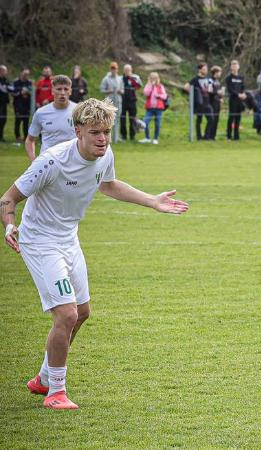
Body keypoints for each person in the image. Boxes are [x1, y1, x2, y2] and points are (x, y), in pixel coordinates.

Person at [1, 98, 189, 410]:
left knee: (83, 312)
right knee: (67, 313)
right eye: (95, 133)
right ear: (78, 132)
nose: (102, 139)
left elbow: (109, 185)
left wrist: (152, 201)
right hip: (40, 241)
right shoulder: (52, 161)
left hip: (68, 238)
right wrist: (9, 226)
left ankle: (45, 377)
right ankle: (56, 393)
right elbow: (8, 198)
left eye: (106, 132)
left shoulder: (105, 155)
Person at [25, 74, 76, 161]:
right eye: (59, 89)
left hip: (72, 163)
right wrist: (33, 160)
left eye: (66, 89)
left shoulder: (79, 111)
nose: (62, 93)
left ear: (70, 91)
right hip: (48, 163)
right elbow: (30, 140)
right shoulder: (41, 113)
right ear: (52, 91)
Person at [184, 62, 213, 141]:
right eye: (204, 69)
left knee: (211, 119)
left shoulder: (208, 79)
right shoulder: (195, 79)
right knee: (199, 120)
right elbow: (186, 87)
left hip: (207, 102)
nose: (206, 71)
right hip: (199, 103)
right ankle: (199, 137)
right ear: (199, 70)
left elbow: (210, 89)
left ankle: (206, 136)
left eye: (206, 69)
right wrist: (193, 93)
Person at [139, 72, 167, 145]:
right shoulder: (148, 86)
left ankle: (155, 138)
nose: (153, 79)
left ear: (157, 78)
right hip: (150, 108)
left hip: (159, 108)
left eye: (155, 78)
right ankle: (147, 138)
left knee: (157, 123)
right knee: (145, 122)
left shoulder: (160, 86)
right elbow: (146, 93)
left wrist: (159, 95)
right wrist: (151, 86)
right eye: (152, 78)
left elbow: (164, 96)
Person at [99, 62, 123, 137]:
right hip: (109, 102)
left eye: (115, 68)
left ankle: (116, 137)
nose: (113, 70)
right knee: (109, 119)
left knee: (117, 119)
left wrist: (120, 91)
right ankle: (108, 136)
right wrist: (109, 91)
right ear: (110, 69)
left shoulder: (120, 79)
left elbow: (123, 90)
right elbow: (102, 89)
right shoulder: (106, 79)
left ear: (117, 69)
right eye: (112, 68)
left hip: (118, 101)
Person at [224, 60, 246, 141]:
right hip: (233, 100)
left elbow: (243, 87)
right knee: (231, 117)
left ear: (238, 67)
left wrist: (243, 94)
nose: (234, 66)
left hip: (240, 101)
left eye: (236, 65)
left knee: (238, 117)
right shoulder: (229, 78)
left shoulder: (241, 78)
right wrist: (238, 94)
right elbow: (230, 89)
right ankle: (229, 136)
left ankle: (236, 136)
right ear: (231, 67)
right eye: (232, 65)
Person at [120, 64, 142, 141]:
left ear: (131, 70)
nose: (127, 71)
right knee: (122, 119)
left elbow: (139, 86)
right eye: (126, 70)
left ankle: (132, 136)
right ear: (123, 70)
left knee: (132, 119)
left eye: (128, 70)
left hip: (132, 101)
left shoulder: (135, 77)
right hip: (123, 101)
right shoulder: (120, 78)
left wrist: (131, 78)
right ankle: (123, 136)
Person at [11, 69, 33, 144]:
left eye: (27, 74)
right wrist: (21, 93)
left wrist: (28, 93)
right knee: (18, 121)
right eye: (24, 74)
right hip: (18, 105)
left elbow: (32, 93)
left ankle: (25, 137)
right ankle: (17, 137)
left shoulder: (29, 82)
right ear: (21, 74)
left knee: (26, 122)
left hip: (26, 105)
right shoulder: (16, 82)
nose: (25, 76)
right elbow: (13, 93)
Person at [205, 65, 223, 140]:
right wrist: (217, 92)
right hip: (211, 102)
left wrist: (221, 97)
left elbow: (218, 93)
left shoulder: (217, 82)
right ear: (215, 72)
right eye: (219, 72)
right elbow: (209, 91)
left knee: (216, 119)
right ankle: (207, 135)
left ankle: (213, 136)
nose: (220, 74)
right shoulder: (210, 80)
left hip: (217, 102)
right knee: (211, 119)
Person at [0, 65, 9, 142]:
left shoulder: (6, 80)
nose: (6, 72)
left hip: (4, 103)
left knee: (3, 120)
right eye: (5, 71)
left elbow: (10, 88)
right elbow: (3, 90)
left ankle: (1, 136)